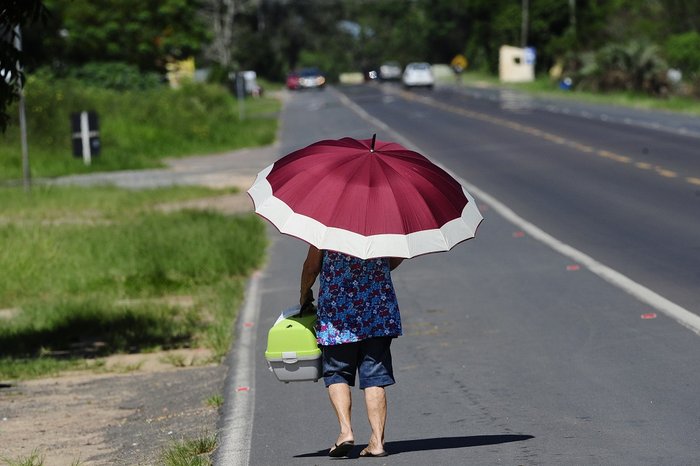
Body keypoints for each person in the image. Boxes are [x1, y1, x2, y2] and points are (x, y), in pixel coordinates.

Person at [300, 245, 404, 458]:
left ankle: (346, 431)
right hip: (378, 312)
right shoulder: (384, 226)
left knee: (336, 372)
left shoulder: (326, 229)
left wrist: (304, 294)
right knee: (375, 376)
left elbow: (311, 267)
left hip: (338, 316)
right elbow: (395, 259)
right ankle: (377, 441)